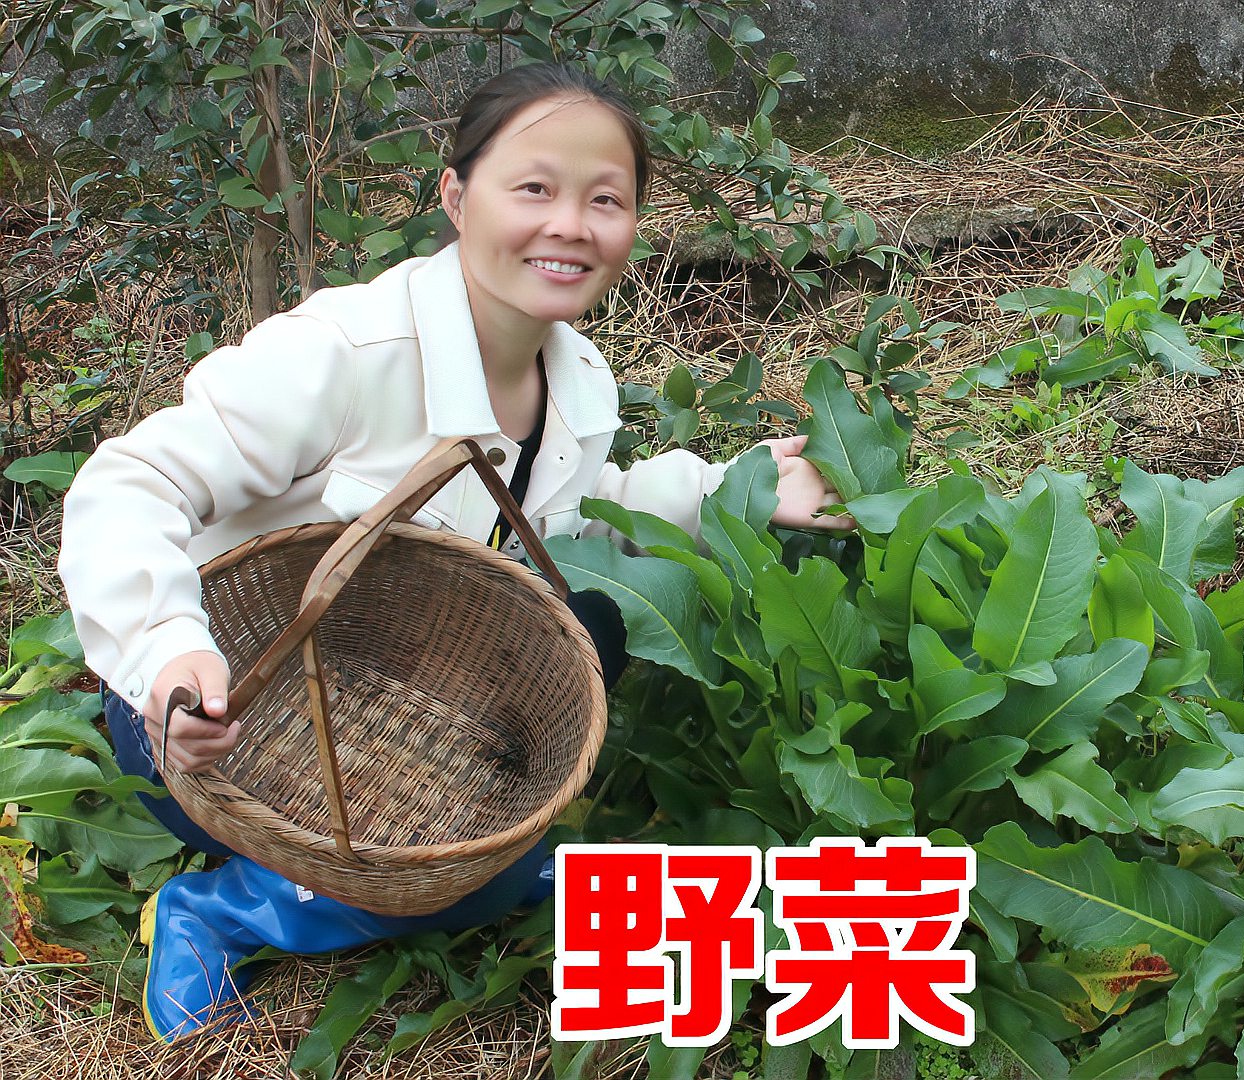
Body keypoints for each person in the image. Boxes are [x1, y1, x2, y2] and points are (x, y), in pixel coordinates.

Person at [56, 62, 851, 1043]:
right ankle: (225, 909)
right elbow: (129, 484)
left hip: (391, 691)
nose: (571, 224)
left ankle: (483, 873)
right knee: (466, 879)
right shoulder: (345, 353)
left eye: (607, 200)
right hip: (217, 713)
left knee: (594, 621)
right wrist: (168, 651)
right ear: (454, 193)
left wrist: (736, 487)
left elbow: (578, 518)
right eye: (534, 188)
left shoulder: (578, 377)